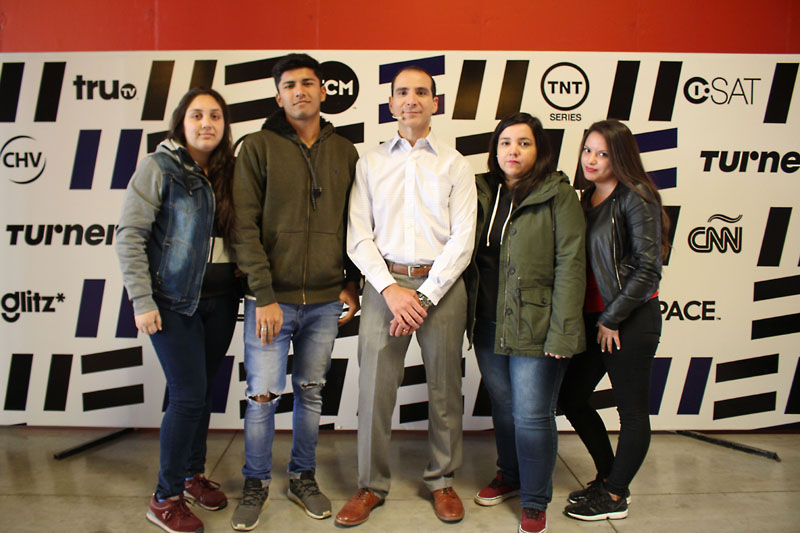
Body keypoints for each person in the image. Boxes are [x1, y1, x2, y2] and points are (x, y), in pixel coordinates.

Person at [336, 65, 477, 527]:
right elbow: (359, 236)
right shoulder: (370, 163)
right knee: (374, 390)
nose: (411, 99)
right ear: (391, 103)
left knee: (444, 389)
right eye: (402, 92)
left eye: (421, 92)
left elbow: (463, 240)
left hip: (443, 287)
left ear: (435, 102)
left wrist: (426, 296)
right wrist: (392, 291)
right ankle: (370, 485)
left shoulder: (455, 164)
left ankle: (442, 480)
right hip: (385, 285)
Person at [230, 53, 360, 531]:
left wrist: (351, 282)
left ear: (324, 91)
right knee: (262, 397)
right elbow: (243, 226)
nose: (299, 91)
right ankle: (256, 483)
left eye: (308, 83)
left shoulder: (345, 151)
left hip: (325, 301)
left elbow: (356, 224)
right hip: (271, 301)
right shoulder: (258, 147)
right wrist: (263, 294)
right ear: (278, 95)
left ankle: (303, 477)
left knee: (310, 394)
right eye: (289, 85)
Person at [115, 87, 239, 533]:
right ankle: (164, 498)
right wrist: (142, 300)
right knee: (187, 396)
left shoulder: (228, 171)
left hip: (221, 300)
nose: (207, 123)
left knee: (202, 393)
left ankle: (191, 475)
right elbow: (129, 236)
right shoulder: (159, 167)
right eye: (197, 115)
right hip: (173, 303)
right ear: (181, 123)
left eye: (215, 116)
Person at [463, 113, 586, 533]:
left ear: (540, 150)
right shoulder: (480, 190)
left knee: (532, 414)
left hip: (537, 324)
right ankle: (511, 476)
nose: (513, 151)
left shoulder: (558, 194)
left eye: (524, 143)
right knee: (504, 406)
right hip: (487, 321)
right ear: (495, 150)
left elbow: (571, 264)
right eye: (505, 143)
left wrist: (563, 332)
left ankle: (534, 500)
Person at [558, 119, 669, 522]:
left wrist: (612, 317)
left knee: (632, 413)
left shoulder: (635, 196)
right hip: (595, 319)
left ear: (620, 158)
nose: (591, 160)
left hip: (628, 320)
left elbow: (648, 269)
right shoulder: (584, 198)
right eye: (588, 150)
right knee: (569, 398)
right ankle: (608, 476)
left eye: (602, 153)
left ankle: (616, 494)